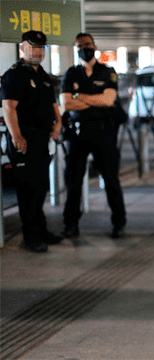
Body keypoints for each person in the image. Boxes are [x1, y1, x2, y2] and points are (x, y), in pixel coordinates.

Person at [1, 31, 63, 253]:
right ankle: (31, 237)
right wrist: (16, 136)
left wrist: (58, 123)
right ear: (22, 48)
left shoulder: (43, 75)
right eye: (33, 46)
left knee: (40, 187)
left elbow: (53, 103)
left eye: (41, 47)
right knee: (28, 191)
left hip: (41, 140)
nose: (37, 51)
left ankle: (42, 230)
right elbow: (8, 107)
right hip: (24, 140)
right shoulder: (14, 75)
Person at [61, 33, 127, 239]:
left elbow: (109, 100)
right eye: (80, 46)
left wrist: (79, 97)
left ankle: (119, 223)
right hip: (77, 134)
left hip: (103, 133)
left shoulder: (108, 72)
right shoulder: (71, 73)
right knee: (73, 183)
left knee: (111, 180)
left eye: (88, 45)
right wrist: (94, 100)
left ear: (94, 46)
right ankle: (71, 224)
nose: (84, 48)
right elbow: (67, 104)